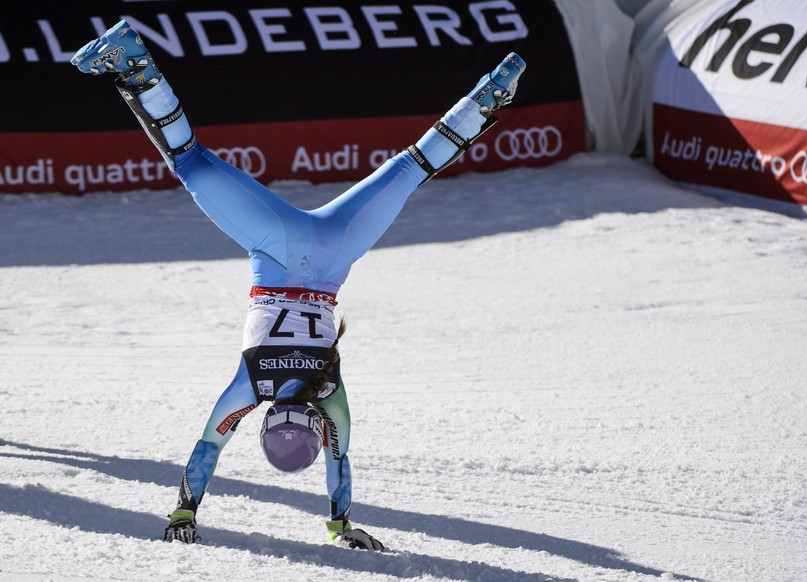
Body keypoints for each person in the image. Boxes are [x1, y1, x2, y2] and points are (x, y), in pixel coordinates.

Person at [71, 19, 525, 550]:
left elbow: (340, 461)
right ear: (268, 424)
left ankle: (488, 96)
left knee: (412, 166)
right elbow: (207, 449)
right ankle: (133, 65)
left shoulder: (329, 392)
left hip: (335, 251)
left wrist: (342, 522)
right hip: (275, 246)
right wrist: (183, 512)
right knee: (189, 158)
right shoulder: (253, 384)